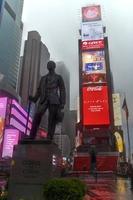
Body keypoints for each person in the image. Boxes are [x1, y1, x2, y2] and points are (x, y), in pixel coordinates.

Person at [29, 60, 66, 140]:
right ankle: (32, 135)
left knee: (51, 119)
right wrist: (34, 98)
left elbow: (62, 90)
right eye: (48, 64)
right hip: (44, 100)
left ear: (54, 66)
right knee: (37, 116)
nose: (49, 66)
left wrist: (62, 103)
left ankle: (49, 137)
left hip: (54, 100)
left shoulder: (58, 77)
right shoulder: (43, 78)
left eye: (50, 64)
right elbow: (39, 90)